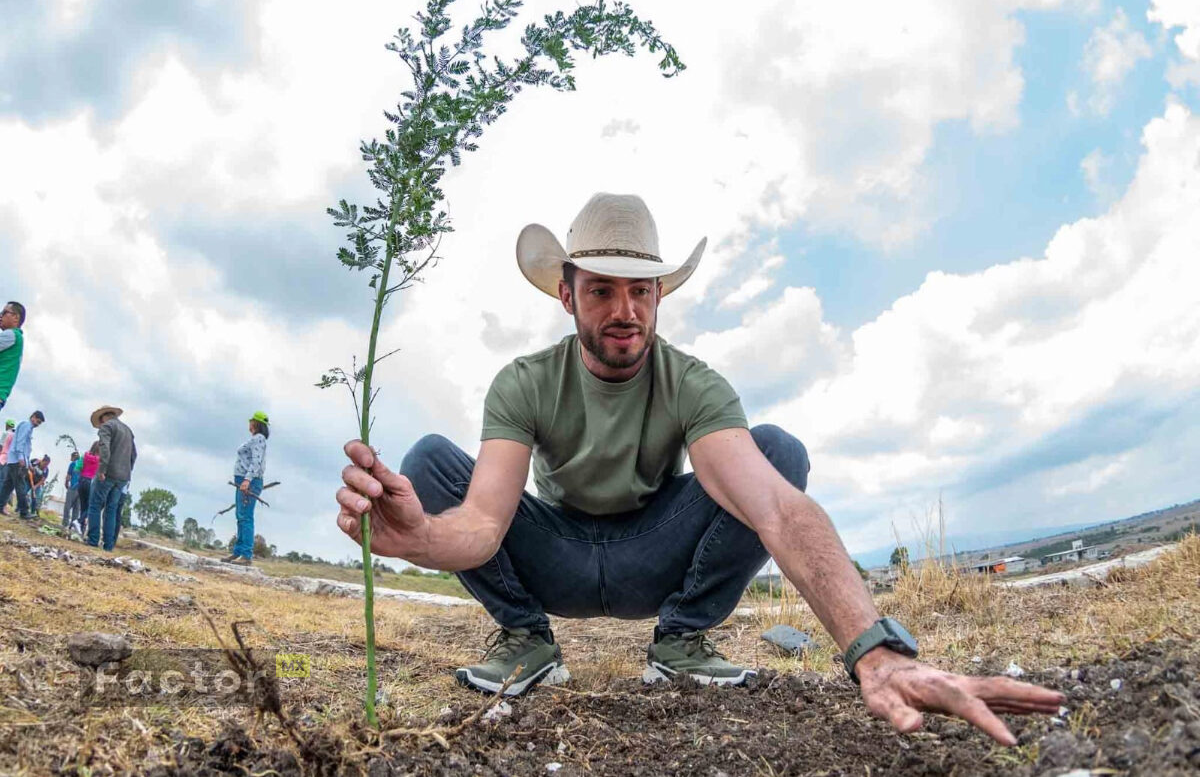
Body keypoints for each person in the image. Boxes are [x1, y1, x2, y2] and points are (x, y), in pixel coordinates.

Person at [334, 194, 1064, 745]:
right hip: (552, 551)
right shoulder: (524, 382)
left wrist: (875, 649)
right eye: (601, 289)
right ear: (566, 294)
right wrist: (420, 539)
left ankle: (681, 641)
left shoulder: (694, 384)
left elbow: (776, 507)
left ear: (659, 295)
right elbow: (485, 522)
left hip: (655, 552)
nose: (625, 310)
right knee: (431, 458)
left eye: (641, 290)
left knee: (776, 452)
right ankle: (526, 640)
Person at [85, 405, 136, 551]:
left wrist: (102, 469)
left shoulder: (107, 427)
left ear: (103, 418)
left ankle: (93, 540)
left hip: (108, 473)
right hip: (123, 477)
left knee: (95, 505)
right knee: (111, 510)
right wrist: (128, 472)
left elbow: (104, 448)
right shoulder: (128, 430)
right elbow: (134, 455)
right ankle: (108, 545)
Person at [222, 411, 269, 566]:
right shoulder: (255, 439)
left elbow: (256, 462)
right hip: (243, 480)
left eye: (251, 421)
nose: (249, 423)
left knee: (246, 517)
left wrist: (247, 479)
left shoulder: (259, 439)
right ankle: (238, 552)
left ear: (256, 423)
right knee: (240, 516)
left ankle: (246, 554)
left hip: (249, 481)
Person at [0, 410, 44, 520]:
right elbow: (20, 442)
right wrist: (20, 458)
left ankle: (0, 506)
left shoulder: (27, 427)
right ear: (33, 417)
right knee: (21, 486)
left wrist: (28, 463)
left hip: (14, 460)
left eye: (39, 423)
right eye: (37, 421)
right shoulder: (27, 426)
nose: (37, 424)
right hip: (17, 461)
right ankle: (24, 511)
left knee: (8, 485)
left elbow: (26, 448)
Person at [0, 301, 26, 414]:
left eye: (4, 312)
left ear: (16, 317)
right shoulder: (17, 338)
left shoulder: (11, 335)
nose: (0, 316)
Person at [75, 442, 100, 534]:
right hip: (91, 482)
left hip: (82, 481)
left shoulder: (84, 455)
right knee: (91, 505)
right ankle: (79, 521)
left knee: (83, 506)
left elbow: (77, 468)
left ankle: (80, 528)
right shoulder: (100, 460)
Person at [63, 451, 83, 530]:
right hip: (81, 489)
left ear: (73, 457)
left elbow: (68, 476)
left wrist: (66, 483)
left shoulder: (72, 464)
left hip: (73, 488)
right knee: (76, 509)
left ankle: (65, 524)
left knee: (67, 507)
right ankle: (73, 526)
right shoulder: (82, 465)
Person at [0, 419, 14, 512]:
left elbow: (1, 446)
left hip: (3, 458)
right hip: (9, 461)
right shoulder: (14, 435)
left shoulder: (6, 433)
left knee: (1, 481)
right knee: (4, 482)